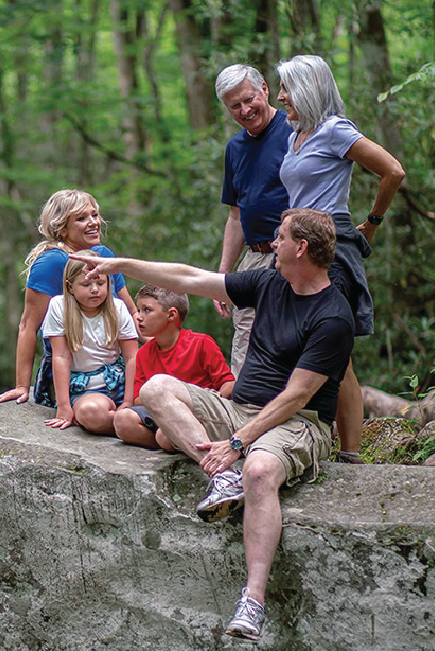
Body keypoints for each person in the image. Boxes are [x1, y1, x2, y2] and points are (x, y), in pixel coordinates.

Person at [70, 208, 354, 641]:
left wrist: (239, 443)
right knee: (156, 389)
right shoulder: (268, 282)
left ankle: (252, 601)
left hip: (297, 421)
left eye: (280, 238)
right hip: (239, 408)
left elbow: (296, 396)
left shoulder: (333, 317)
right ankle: (222, 477)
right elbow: (187, 278)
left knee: (258, 471)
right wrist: (121, 264)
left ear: (301, 248)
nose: (272, 245)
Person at [275, 54, 406, 463]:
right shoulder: (296, 135)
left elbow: (393, 171)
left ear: (310, 90)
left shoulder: (335, 130)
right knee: (301, 350)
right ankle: (313, 439)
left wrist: (372, 223)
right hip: (297, 252)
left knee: (338, 356)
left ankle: (351, 454)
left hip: (331, 250)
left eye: (287, 89)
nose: (281, 97)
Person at [0, 189, 137, 407]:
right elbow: (27, 326)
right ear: (62, 228)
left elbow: (132, 312)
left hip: (113, 365)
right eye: (81, 218)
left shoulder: (104, 255)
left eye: (94, 215)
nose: (93, 222)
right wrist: (22, 386)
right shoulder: (51, 263)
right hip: (72, 372)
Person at [212, 64, 291, 377]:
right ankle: (246, 418)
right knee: (245, 341)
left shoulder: (295, 129)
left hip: (293, 254)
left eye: (249, 99)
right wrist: (223, 274)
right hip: (253, 257)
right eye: (235, 106)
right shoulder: (235, 148)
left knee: (290, 339)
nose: (245, 110)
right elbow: (236, 216)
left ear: (265, 90)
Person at [112, 284, 235, 449]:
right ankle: (171, 443)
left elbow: (228, 384)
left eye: (147, 310)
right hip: (158, 413)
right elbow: (137, 399)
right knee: (122, 421)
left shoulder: (201, 343)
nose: (139, 317)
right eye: (139, 310)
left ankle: (174, 441)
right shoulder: (144, 353)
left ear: (171, 314)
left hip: (194, 414)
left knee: (166, 436)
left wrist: (217, 394)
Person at [42, 250, 139, 433]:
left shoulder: (118, 308)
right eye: (86, 284)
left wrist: (128, 401)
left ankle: (131, 420)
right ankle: (131, 424)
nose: (95, 289)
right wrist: (63, 405)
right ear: (70, 287)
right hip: (85, 390)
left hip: (119, 383)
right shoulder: (58, 306)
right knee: (91, 413)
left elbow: (132, 357)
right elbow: (61, 356)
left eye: (100, 283)